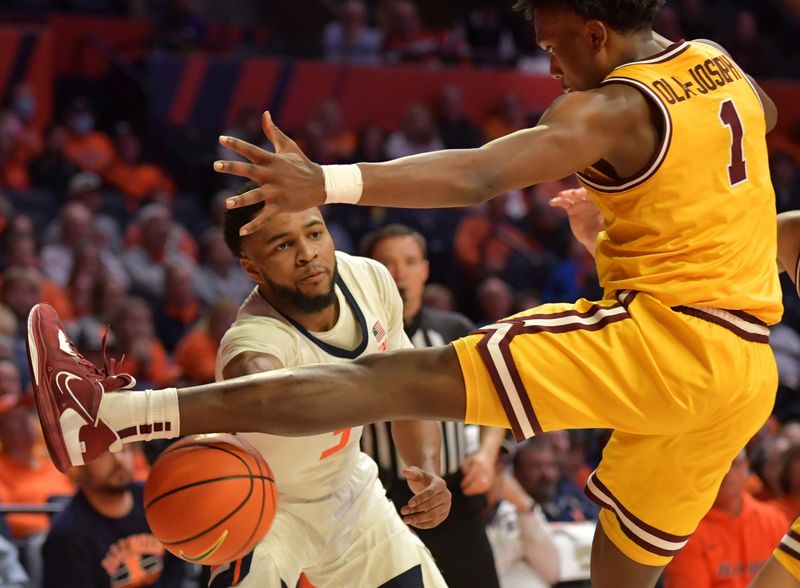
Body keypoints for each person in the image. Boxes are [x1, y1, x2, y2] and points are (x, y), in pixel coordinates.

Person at [27, 2, 782, 587]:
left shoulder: (611, 109)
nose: (549, 66)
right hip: (745, 375)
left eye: (553, 47)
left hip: (671, 343)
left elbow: (480, 175)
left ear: (594, 34)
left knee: (383, 382)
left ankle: (110, 416)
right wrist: (630, 221)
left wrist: (328, 181)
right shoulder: (716, 66)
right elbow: (756, 125)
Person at [203, 187, 448, 587]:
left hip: (352, 494)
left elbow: (409, 393)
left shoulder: (370, 279)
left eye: (315, 234)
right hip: (267, 510)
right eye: (284, 244)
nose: (307, 253)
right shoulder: (251, 342)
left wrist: (427, 469)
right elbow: (273, 397)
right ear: (251, 267)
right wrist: (371, 390)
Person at [361, 223, 504, 588]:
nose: (399, 272)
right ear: (369, 270)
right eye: (387, 263)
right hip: (378, 500)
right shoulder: (354, 339)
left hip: (454, 498)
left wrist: (487, 454)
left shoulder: (453, 329)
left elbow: (497, 400)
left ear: (424, 269)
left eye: (409, 261)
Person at [42, 446, 186, 588]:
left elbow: (177, 570)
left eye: (123, 449)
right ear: (78, 464)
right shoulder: (66, 535)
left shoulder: (155, 499)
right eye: (103, 453)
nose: (118, 459)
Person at [663, 451, 788, 587]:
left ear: (746, 468)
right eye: (718, 464)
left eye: (733, 463)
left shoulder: (775, 521)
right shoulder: (685, 530)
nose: (726, 471)